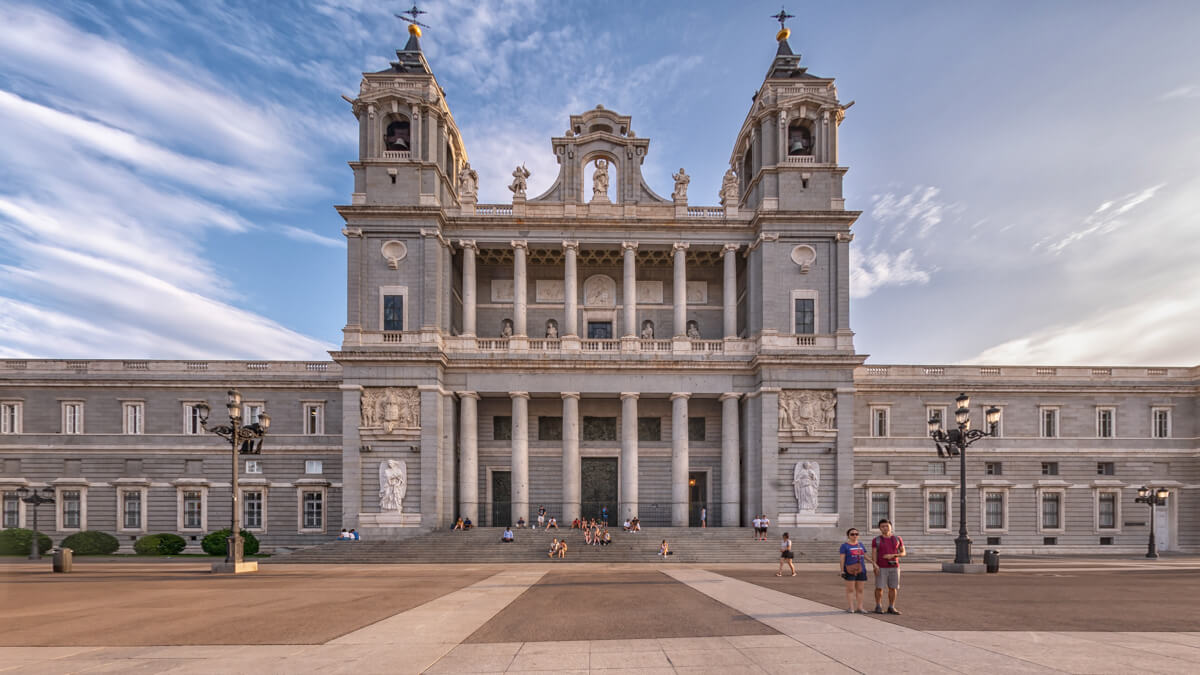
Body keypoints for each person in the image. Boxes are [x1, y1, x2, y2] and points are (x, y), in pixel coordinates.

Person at [871, 519, 906, 615]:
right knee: (879, 587)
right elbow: (874, 553)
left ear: (891, 527)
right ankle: (878, 606)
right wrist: (874, 566)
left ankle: (891, 606)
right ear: (879, 528)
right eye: (882, 526)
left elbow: (903, 553)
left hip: (894, 566)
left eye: (887, 526)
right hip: (881, 567)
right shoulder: (876, 540)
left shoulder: (897, 539)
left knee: (893, 587)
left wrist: (893, 555)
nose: (885, 528)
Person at [840, 528, 868, 614]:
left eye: (856, 534)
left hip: (861, 569)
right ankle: (851, 607)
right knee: (850, 589)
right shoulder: (844, 546)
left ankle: (860, 607)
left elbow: (865, 556)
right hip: (849, 570)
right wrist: (842, 570)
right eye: (852, 534)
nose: (854, 536)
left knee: (860, 590)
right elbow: (842, 559)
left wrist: (874, 563)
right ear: (848, 536)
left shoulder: (861, 545)